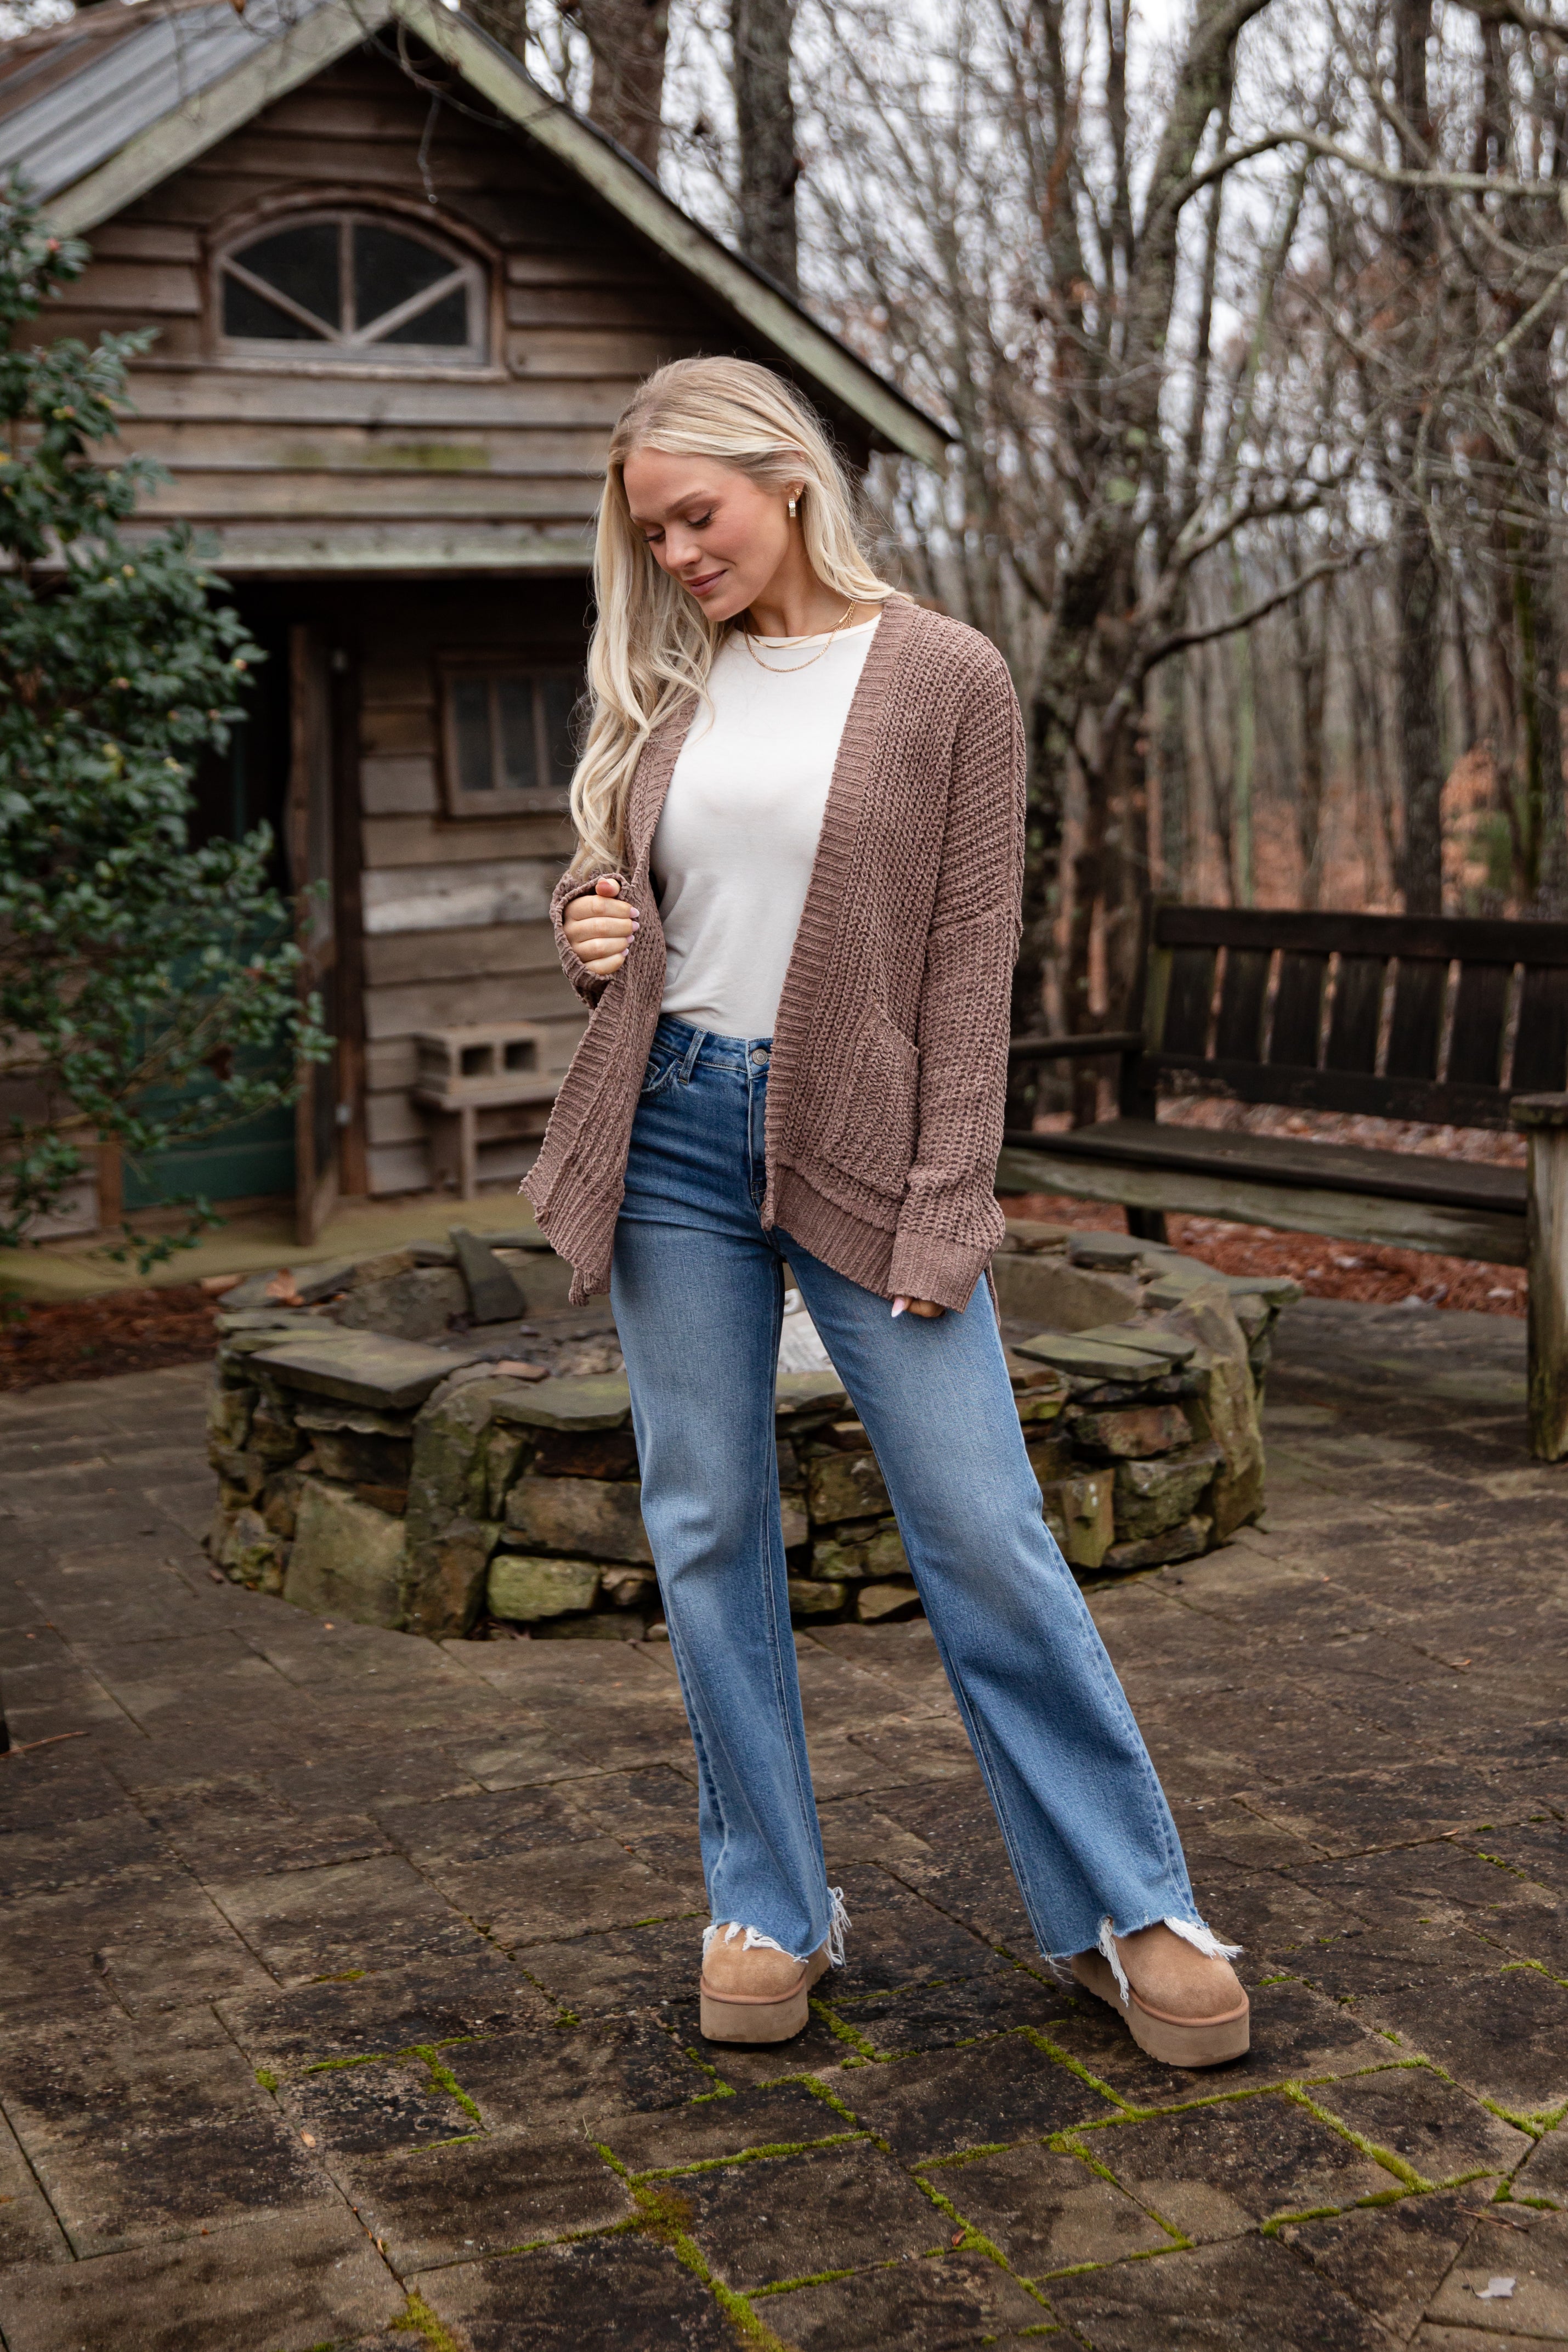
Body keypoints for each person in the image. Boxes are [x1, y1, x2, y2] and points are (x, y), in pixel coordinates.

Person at [523, 356, 1248, 2071]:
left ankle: (1125, 1905)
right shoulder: (668, 685)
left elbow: (963, 961)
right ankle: (768, 1903)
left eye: (696, 516)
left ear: (786, 479)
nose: (679, 554)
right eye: (653, 532)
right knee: (704, 1527)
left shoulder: (942, 678)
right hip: (674, 1137)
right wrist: (586, 925)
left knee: (982, 1529)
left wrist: (948, 1204)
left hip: (861, 1142)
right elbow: (630, 885)